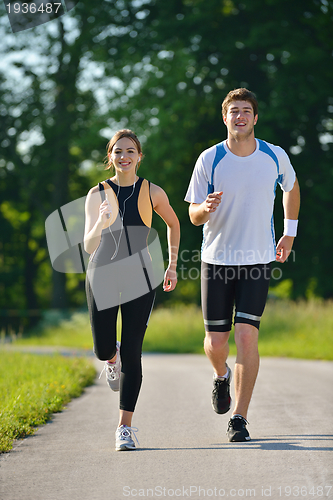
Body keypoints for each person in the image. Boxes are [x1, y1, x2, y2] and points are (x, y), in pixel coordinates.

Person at [185, 88, 300, 442]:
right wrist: (206, 208)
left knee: (247, 336)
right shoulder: (210, 158)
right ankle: (221, 377)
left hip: (257, 259)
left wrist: (289, 233)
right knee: (216, 342)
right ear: (225, 117)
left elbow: (292, 189)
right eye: (234, 111)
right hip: (216, 260)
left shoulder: (273, 155)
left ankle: (239, 417)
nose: (240, 116)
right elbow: (192, 215)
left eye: (246, 110)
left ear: (254, 117)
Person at [84, 129, 180, 451]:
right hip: (102, 275)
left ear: (139, 156)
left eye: (130, 151)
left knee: (133, 353)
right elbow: (88, 245)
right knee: (102, 348)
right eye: (117, 151)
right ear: (109, 157)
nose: (123, 157)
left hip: (141, 275)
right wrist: (100, 221)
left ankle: (124, 427)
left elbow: (173, 223)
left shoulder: (153, 192)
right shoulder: (96, 193)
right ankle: (111, 359)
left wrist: (172, 265)